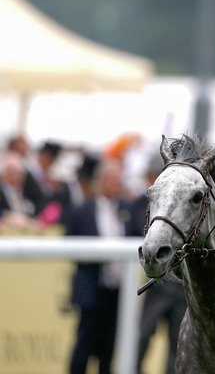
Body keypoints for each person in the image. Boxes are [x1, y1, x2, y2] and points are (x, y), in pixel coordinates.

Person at [67, 158, 138, 374]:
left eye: (120, 181)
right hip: (92, 288)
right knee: (83, 344)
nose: (118, 185)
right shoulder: (82, 211)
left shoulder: (127, 209)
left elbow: (138, 237)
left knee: (109, 348)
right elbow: (69, 244)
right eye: (114, 181)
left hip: (118, 291)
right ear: (101, 181)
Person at [134, 155, 186, 374]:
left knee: (176, 343)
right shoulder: (138, 203)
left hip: (180, 287)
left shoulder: (180, 204)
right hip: (156, 286)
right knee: (142, 336)